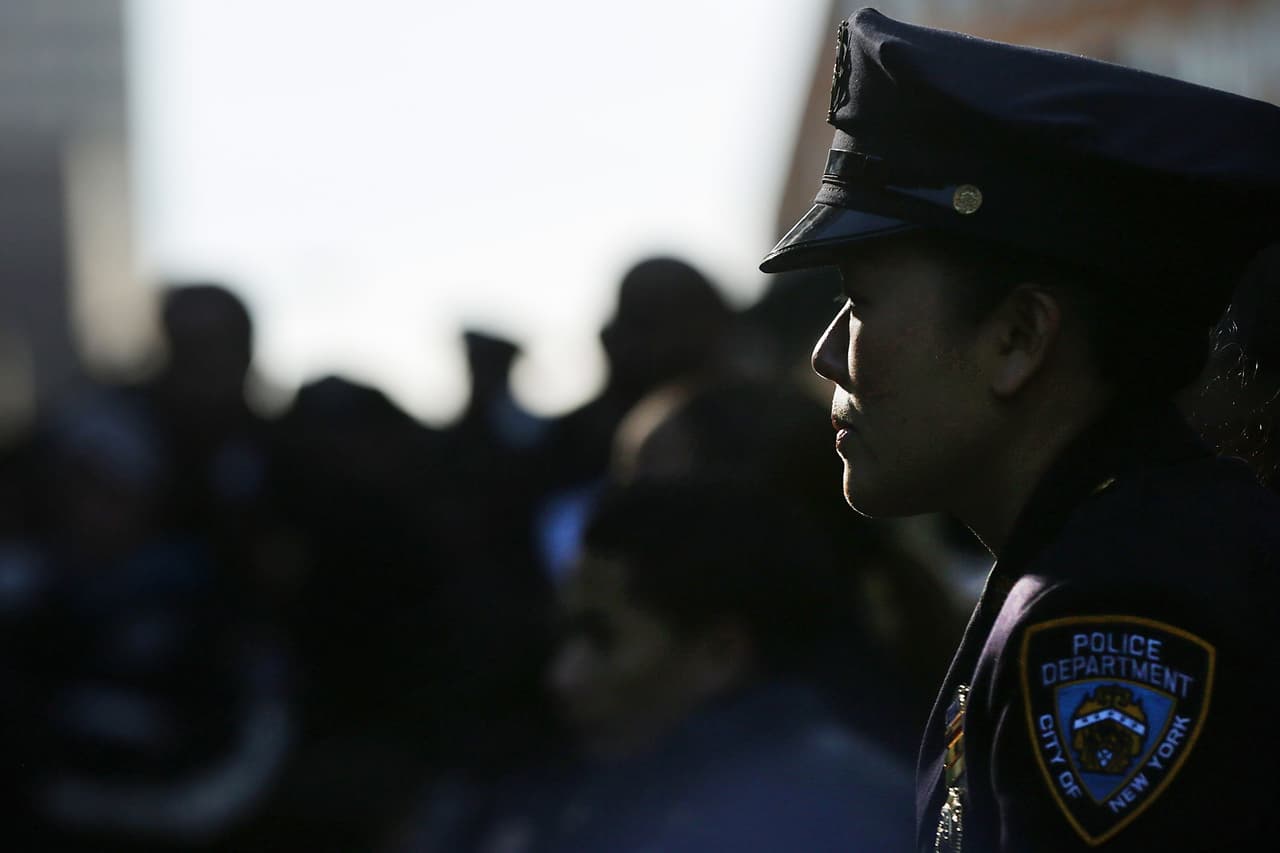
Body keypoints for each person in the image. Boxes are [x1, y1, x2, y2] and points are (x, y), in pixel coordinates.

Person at [760, 8, 1280, 852]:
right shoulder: (1128, 551)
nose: (826, 356)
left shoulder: (1112, 618)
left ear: (1018, 338)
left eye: (858, 303)